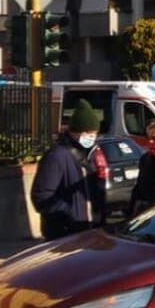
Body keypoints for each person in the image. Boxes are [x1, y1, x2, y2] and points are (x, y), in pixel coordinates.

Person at [31, 100, 101, 239]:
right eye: (88, 132)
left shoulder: (88, 154)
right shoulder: (57, 156)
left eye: (94, 133)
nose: (92, 137)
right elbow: (41, 196)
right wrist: (68, 213)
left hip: (85, 229)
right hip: (65, 231)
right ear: (75, 132)